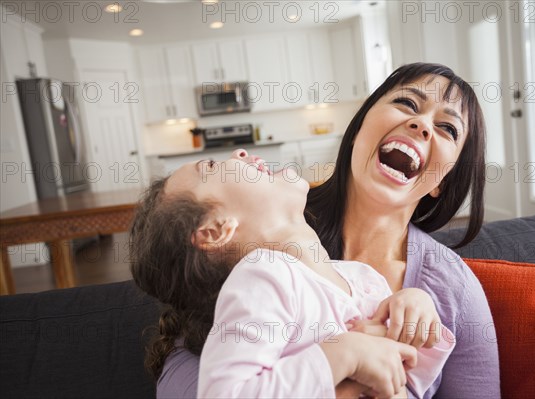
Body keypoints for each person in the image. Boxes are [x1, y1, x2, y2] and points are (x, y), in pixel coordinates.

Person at [135, 62, 501, 398]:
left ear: (444, 181)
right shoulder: (264, 246)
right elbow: (191, 368)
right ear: (359, 129)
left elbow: (405, 380)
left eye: (448, 128)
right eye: (407, 103)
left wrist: (422, 320)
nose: (422, 125)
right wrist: (344, 372)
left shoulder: (368, 283)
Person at [130, 149, 456, 398]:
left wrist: (419, 317)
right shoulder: (261, 278)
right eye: (210, 168)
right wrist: (345, 353)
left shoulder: (362, 278)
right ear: (215, 231)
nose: (239, 153)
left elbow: (410, 382)